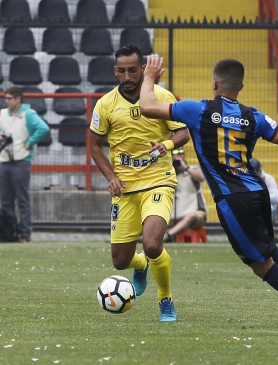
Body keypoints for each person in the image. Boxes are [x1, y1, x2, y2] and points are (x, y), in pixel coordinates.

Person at [140, 55, 278, 328]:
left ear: (214, 83)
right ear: (241, 86)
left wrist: (150, 76)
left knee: (261, 266)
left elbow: (147, 106)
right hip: (257, 192)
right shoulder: (253, 116)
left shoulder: (197, 110)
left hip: (232, 201)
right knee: (265, 249)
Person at [89, 44, 190, 322]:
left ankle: (165, 298)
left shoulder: (160, 96)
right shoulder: (105, 104)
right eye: (122, 71)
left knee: (152, 243)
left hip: (158, 180)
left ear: (143, 69)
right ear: (115, 71)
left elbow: (183, 133)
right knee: (120, 261)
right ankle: (141, 264)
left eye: (133, 70)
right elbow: (95, 146)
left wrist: (166, 145)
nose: (128, 76)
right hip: (125, 187)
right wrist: (111, 177)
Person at [0, 86, 50, 243]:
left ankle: (24, 233)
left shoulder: (28, 114)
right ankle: (9, 233)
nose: (5, 101)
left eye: (9, 98)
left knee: (22, 200)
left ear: (18, 99)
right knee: (6, 201)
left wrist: (29, 143)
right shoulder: (2, 114)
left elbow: (43, 128)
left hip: (21, 162)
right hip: (4, 160)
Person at [164, 147, 207, 242]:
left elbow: (202, 178)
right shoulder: (168, 174)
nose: (179, 156)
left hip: (196, 214)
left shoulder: (191, 170)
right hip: (174, 217)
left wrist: (185, 167)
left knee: (191, 215)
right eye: (176, 154)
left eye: (181, 153)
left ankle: (168, 236)